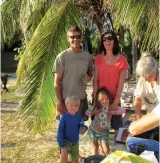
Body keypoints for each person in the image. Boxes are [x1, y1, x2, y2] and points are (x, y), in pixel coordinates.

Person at [53, 26, 93, 121]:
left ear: (81, 38)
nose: (76, 39)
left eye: (78, 36)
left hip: (82, 101)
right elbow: (56, 81)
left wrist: (88, 78)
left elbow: (90, 74)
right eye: (72, 37)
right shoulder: (61, 57)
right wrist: (59, 101)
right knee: (66, 132)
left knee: (80, 131)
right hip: (66, 102)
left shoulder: (87, 57)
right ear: (68, 39)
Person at [93, 31, 129, 133]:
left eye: (109, 38)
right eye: (104, 39)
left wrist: (115, 102)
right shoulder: (98, 59)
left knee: (119, 133)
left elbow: (121, 84)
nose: (107, 41)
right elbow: (95, 81)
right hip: (100, 102)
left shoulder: (122, 60)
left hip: (114, 102)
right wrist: (95, 101)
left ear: (114, 41)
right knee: (99, 135)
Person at [57, 95, 88, 163]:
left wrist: (84, 128)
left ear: (78, 107)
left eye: (76, 105)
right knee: (63, 159)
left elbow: (81, 125)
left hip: (75, 142)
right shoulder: (64, 118)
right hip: (65, 142)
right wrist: (62, 145)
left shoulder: (78, 116)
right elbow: (60, 132)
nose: (73, 107)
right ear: (66, 106)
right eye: (71, 105)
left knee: (75, 159)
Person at [87, 87, 112, 156]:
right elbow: (87, 112)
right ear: (99, 101)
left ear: (109, 99)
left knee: (106, 150)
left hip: (103, 133)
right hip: (93, 130)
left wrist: (114, 112)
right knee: (95, 148)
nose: (105, 101)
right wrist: (94, 112)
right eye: (102, 99)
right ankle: (95, 160)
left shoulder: (110, 108)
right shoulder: (97, 107)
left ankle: (106, 160)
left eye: (107, 99)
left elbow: (123, 110)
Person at [133, 54, 159, 120]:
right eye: (143, 76)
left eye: (149, 76)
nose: (146, 79)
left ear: (156, 70)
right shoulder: (143, 79)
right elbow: (138, 99)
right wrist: (138, 117)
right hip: (151, 116)